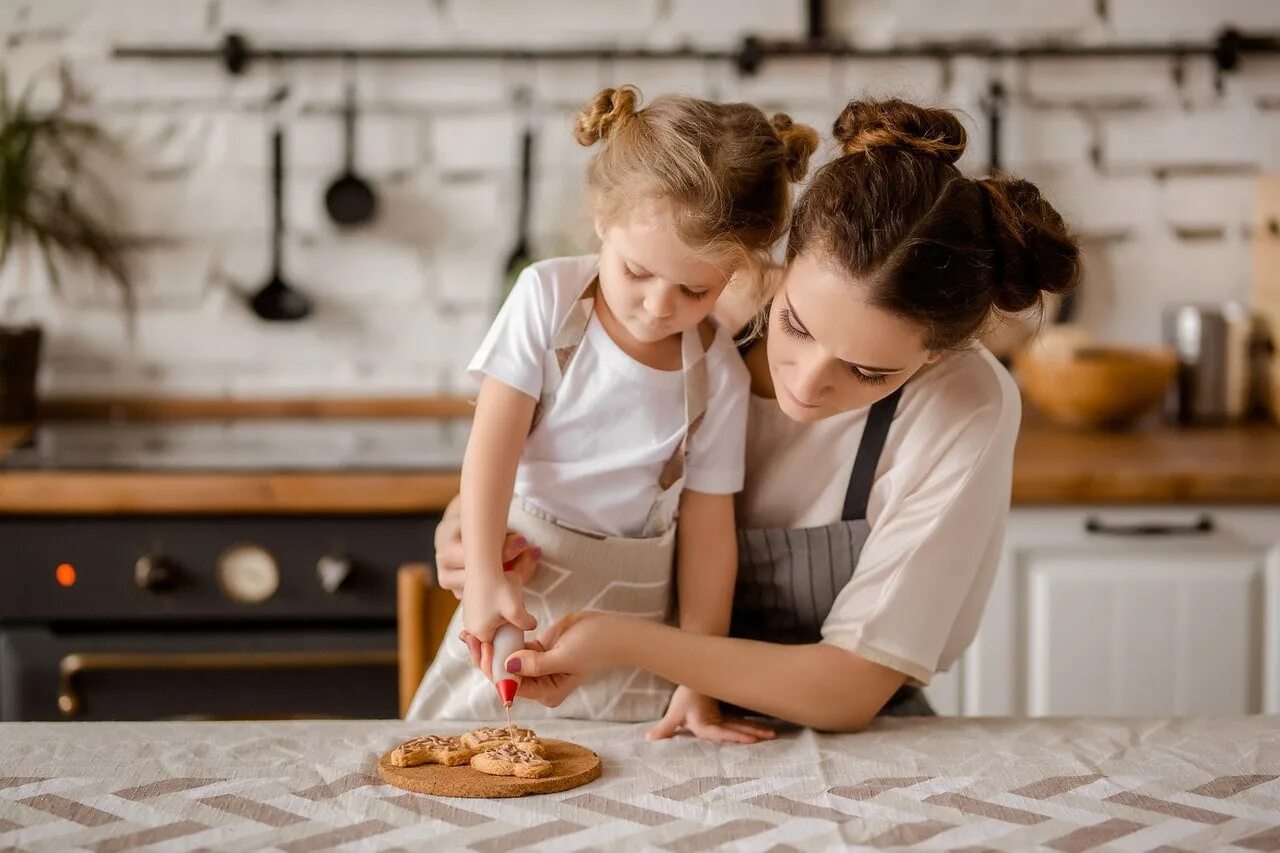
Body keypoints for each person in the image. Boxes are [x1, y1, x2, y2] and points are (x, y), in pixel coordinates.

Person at [438, 97, 1082, 738]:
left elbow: (848, 691)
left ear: (937, 352)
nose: (806, 382)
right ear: (779, 256)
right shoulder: (698, 297)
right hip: (648, 715)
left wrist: (627, 643)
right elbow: (555, 432)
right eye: (796, 325)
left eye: (868, 372)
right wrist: (471, 527)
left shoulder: (963, 406)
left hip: (846, 737)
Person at [408, 86, 818, 729]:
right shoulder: (546, 298)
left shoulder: (718, 375)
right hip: (518, 594)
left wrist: (698, 678)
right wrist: (485, 574)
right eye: (636, 272)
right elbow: (493, 446)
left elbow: (709, 539)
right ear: (602, 218)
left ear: (735, 275)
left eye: (694, 289)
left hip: (634, 636)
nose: (659, 306)